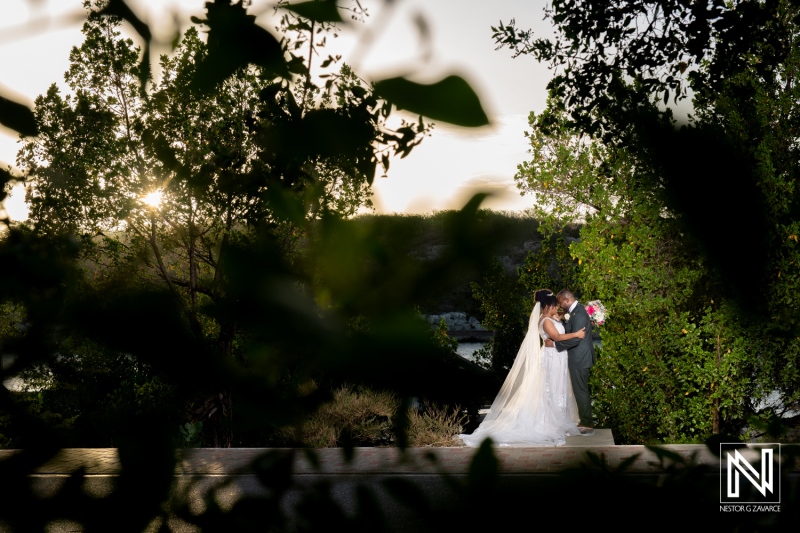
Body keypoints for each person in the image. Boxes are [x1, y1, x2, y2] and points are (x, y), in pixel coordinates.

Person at [460, 290, 585, 446]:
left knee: (559, 388)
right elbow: (557, 337)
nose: (556, 308)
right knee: (550, 388)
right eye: (554, 305)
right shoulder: (545, 321)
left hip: (559, 357)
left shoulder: (553, 316)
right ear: (547, 306)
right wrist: (577, 335)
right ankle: (548, 422)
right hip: (552, 358)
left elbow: (565, 313)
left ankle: (558, 420)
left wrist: (585, 311)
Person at [545, 289, 596, 432]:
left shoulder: (579, 313)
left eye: (561, 302)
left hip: (580, 358)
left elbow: (575, 339)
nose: (560, 306)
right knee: (580, 390)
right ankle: (585, 420)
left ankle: (587, 422)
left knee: (580, 390)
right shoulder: (575, 311)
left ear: (567, 300)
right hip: (578, 357)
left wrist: (554, 344)